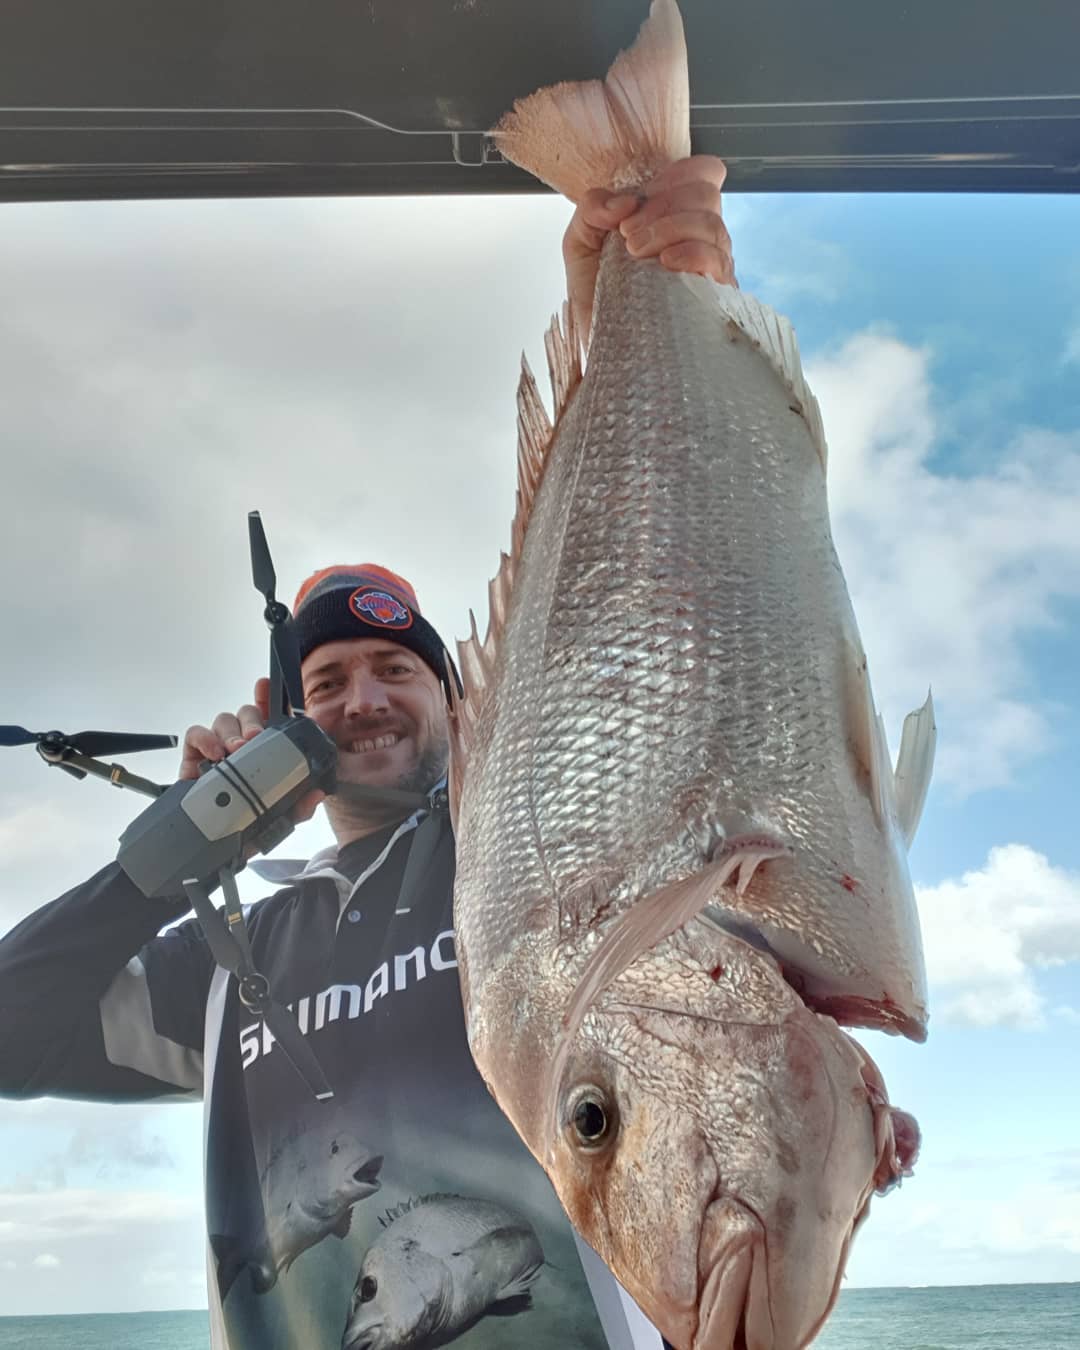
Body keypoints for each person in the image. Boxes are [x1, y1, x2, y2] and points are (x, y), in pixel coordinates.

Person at [0, 160, 734, 1350]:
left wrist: (651, 313)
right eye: (325, 684)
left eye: (399, 672)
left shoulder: (537, 856)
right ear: (282, 717)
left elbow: (654, 632)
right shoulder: (240, 953)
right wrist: (174, 854)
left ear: (458, 702)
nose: (365, 700)